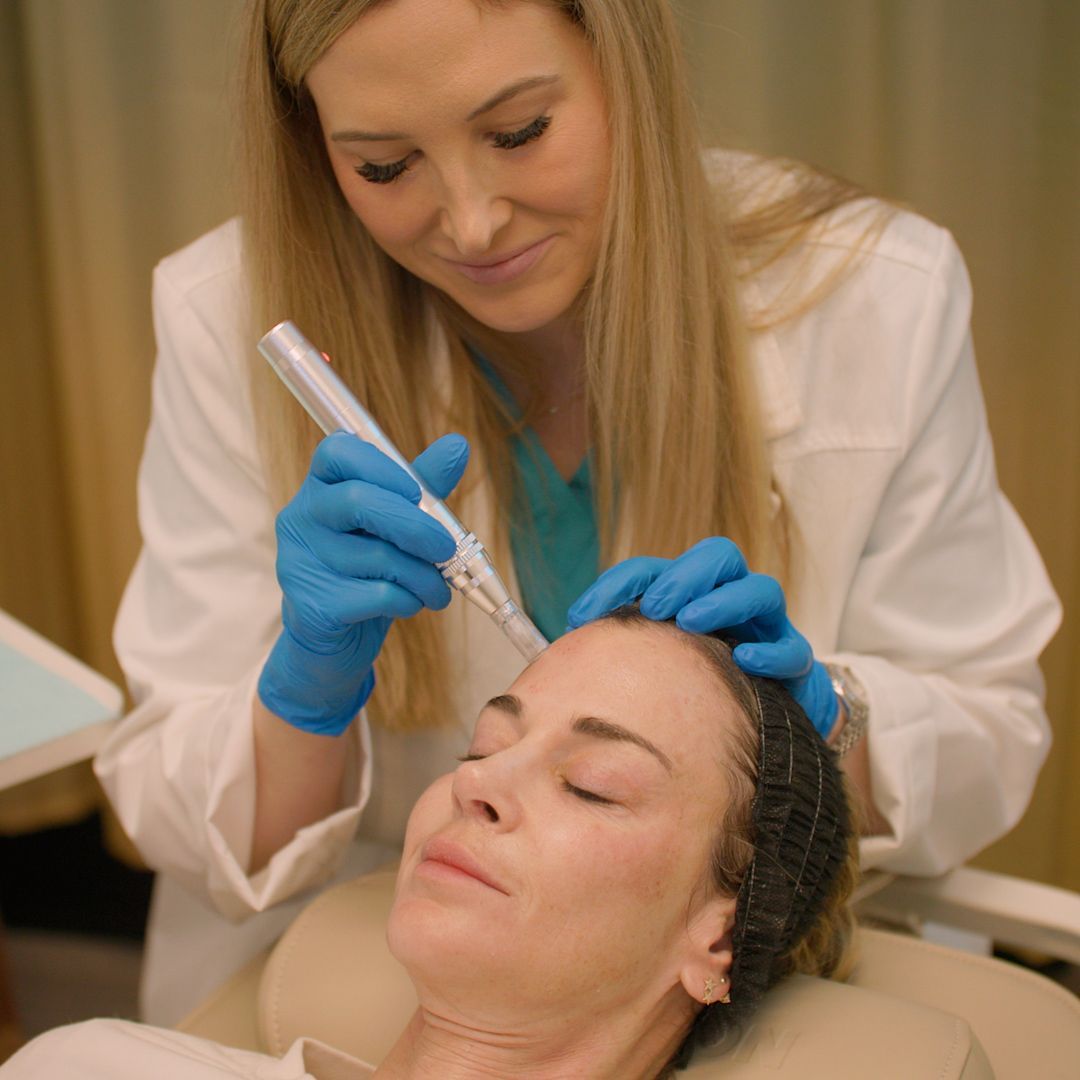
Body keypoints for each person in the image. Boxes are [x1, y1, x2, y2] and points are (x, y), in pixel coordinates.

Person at [95, 0, 1060, 1026]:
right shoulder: (225, 313)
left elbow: (990, 736)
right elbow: (184, 818)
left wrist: (828, 725)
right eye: (384, 166)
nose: (470, 222)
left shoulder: (873, 295)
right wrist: (304, 695)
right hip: (373, 972)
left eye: (518, 134)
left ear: (623, 65)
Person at [10, 613, 855, 1078]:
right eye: (483, 747)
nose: (475, 784)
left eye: (592, 783)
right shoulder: (90, 1065)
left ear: (718, 934)